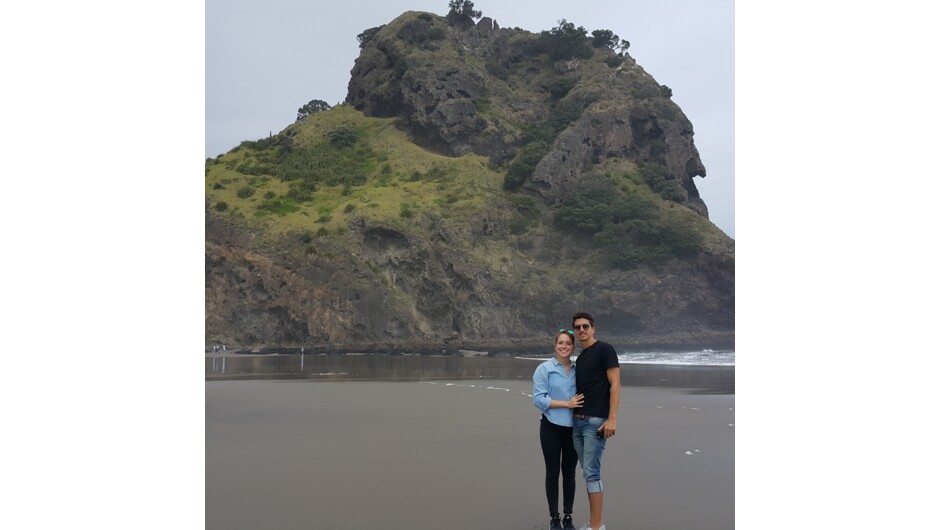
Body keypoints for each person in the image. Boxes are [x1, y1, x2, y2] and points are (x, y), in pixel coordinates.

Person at [571, 312, 620, 530]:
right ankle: (595, 523)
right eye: (577, 327)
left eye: (585, 326)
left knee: (592, 472)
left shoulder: (604, 349)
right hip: (578, 423)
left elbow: (615, 384)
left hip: (595, 422)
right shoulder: (581, 358)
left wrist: (612, 419)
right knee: (588, 472)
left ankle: (597, 526)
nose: (582, 330)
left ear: (593, 329)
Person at [532, 329, 584, 530]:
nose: (564, 346)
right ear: (554, 346)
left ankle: (568, 516)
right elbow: (539, 399)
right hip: (550, 427)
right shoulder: (544, 369)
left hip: (574, 428)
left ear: (573, 347)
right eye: (560, 343)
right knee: (553, 473)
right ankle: (554, 518)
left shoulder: (579, 369)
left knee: (569, 473)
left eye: (568, 343)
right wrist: (566, 404)